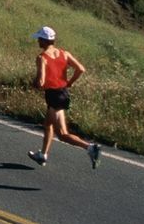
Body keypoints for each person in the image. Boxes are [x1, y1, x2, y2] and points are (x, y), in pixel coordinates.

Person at [28, 26, 101, 169]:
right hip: (63, 93)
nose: (37, 42)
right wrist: (69, 83)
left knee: (62, 134)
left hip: (53, 96)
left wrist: (34, 83)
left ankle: (91, 148)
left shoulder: (42, 58)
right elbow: (80, 69)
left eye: (39, 39)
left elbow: (41, 82)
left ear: (44, 40)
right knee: (48, 124)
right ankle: (43, 154)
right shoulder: (64, 53)